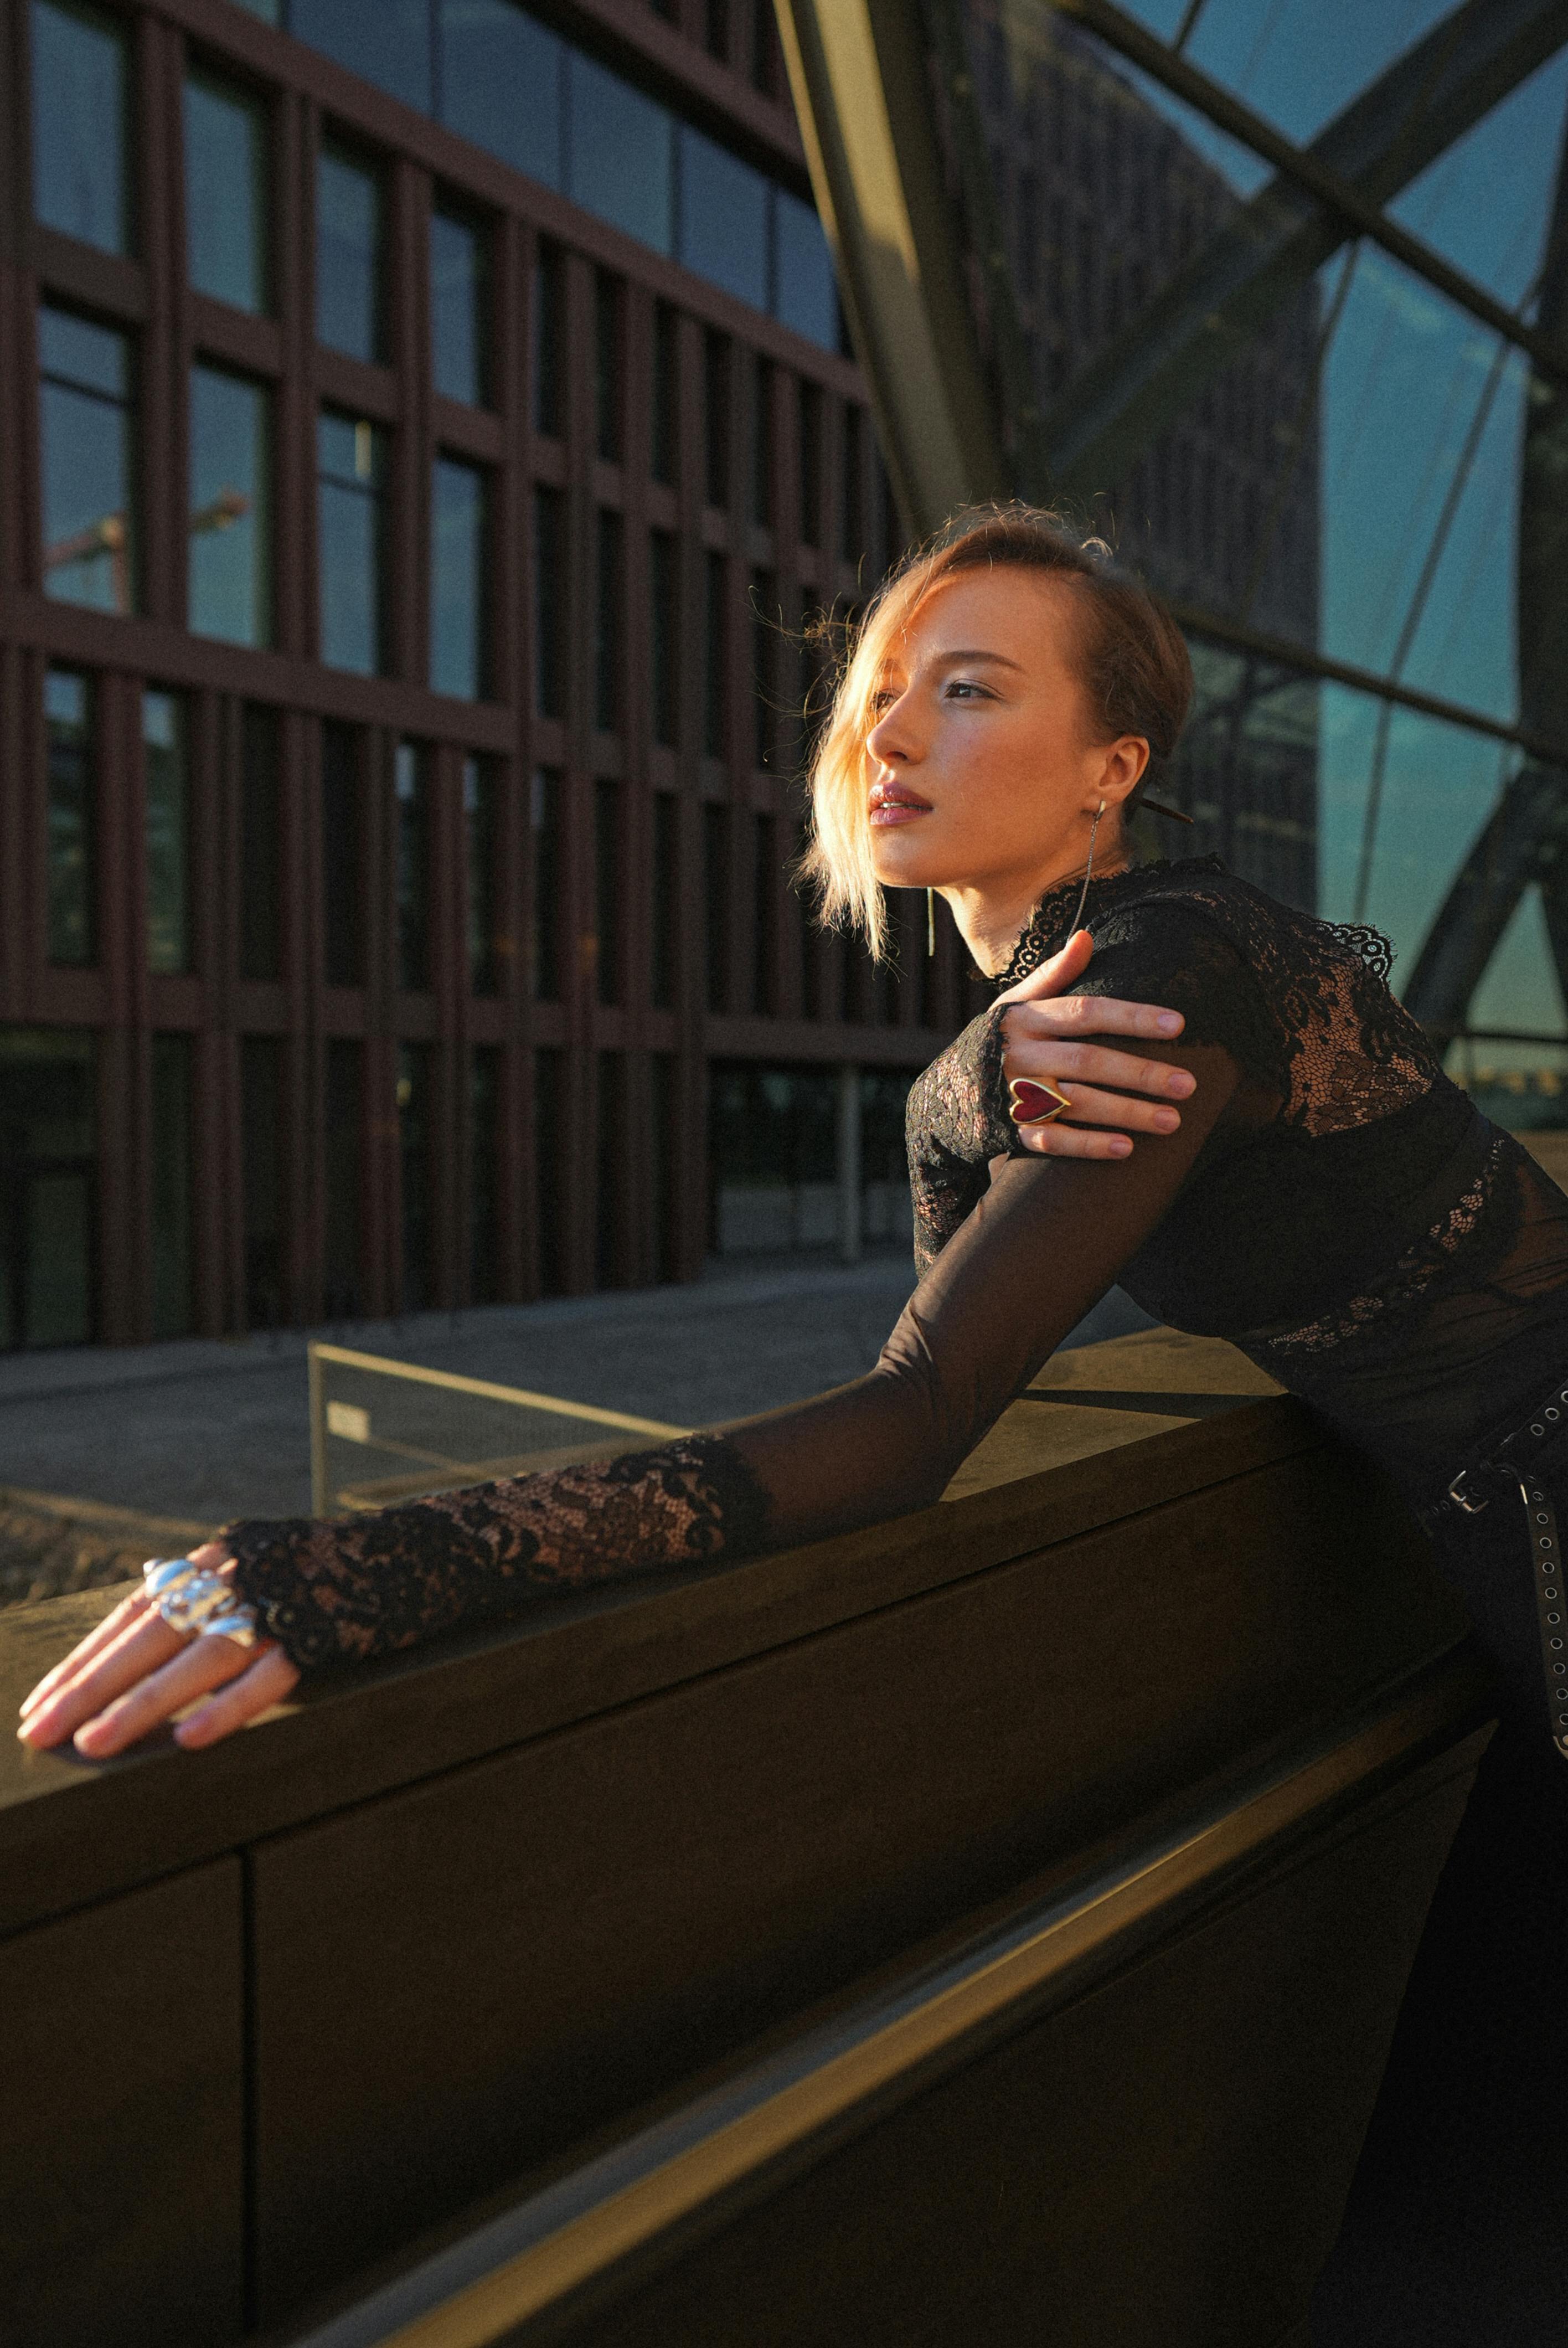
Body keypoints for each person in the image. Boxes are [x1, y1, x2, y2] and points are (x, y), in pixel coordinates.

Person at [19, 506, 1568, 1796]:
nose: (890, 730)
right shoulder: (1119, 971)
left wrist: (370, 1570)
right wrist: (950, 1092)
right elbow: (962, 1284)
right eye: (886, 687)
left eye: (968, 690)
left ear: (1115, 767)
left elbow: (917, 1416)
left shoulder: (1153, 989)